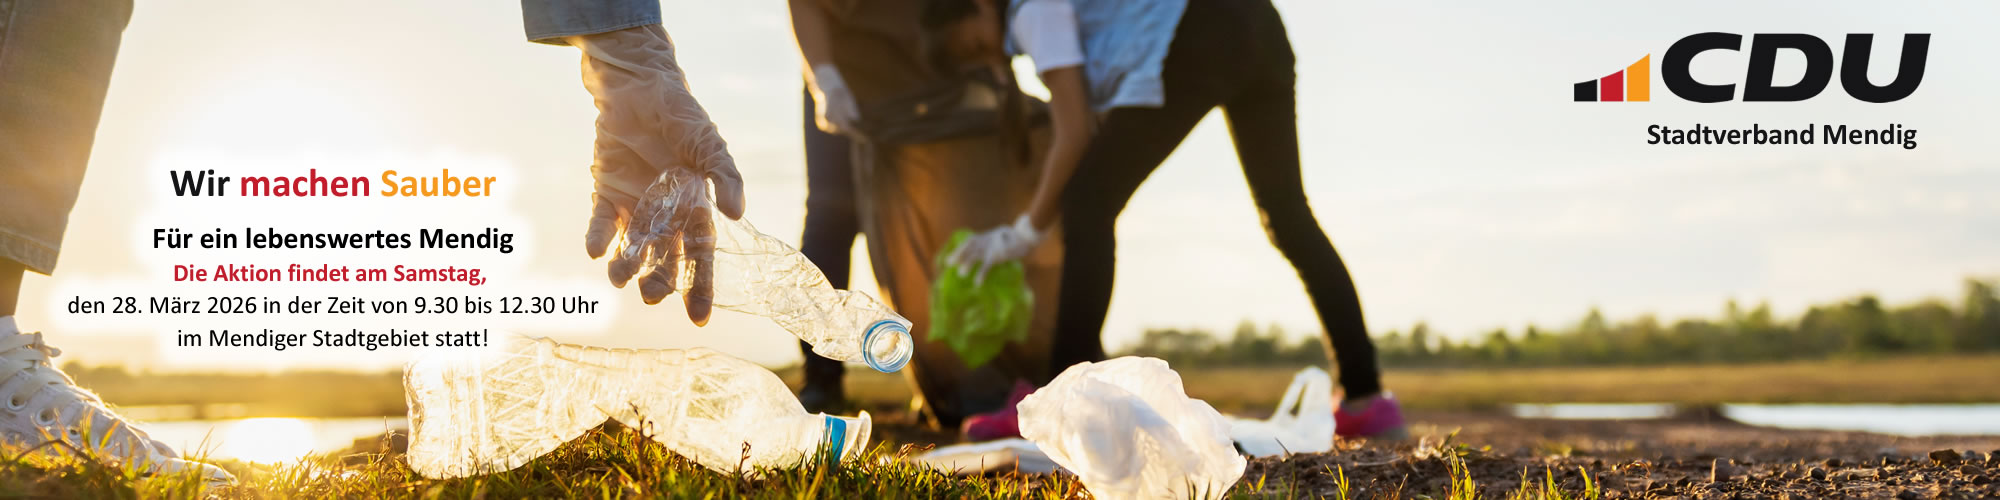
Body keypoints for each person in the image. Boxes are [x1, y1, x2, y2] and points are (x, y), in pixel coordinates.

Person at [925, 0, 1409, 439]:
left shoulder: (1031, 11)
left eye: (976, 44)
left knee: (1089, 204)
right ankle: (1366, 399)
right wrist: (1029, 227)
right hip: (1258, 26)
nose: (995, 58)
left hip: (1198, 31)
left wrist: (1022, 233)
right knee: (1287, 216)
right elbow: (1087, 135)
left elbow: (1072, 135)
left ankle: (1061, 399)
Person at [787, 0, 1072, 429]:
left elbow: (983, 21)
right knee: (832, 215)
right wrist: (825, 80)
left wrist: (995, 77)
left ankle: (947, 381)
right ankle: (821, 380)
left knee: (944, 231)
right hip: (852, 80)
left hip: (935, 85)